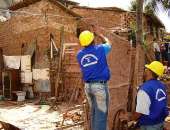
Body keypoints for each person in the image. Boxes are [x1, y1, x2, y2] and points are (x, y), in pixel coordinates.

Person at [76, 30, 112, 130]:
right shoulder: (100, 49)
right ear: (93, 40)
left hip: (88, 87)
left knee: (94, 114)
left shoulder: (79, 55)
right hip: (99, 87)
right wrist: (101, 35)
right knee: (101, 117)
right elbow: (109, 44)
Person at [131, 61, 169, 130]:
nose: (145, 71)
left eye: (147, 69)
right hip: (160, 122)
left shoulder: (144, 89)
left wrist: (129, 118)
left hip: (149, 125)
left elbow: (139, 113)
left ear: (150, 72)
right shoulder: (161, 85)